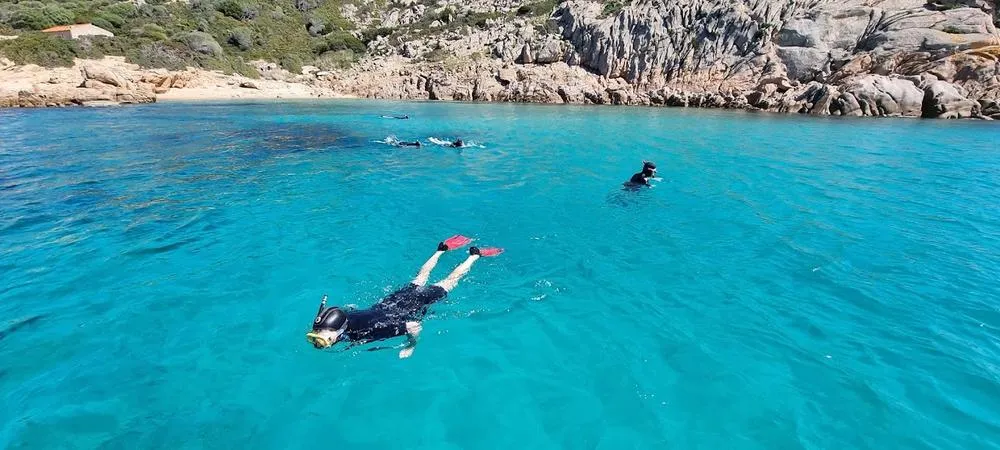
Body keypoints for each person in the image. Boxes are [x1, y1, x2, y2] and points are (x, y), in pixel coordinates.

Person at [306, 235, 503, 358]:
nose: (319, 342)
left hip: (409, 305)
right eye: (316, 338)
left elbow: (414, 325)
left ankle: (474, 255)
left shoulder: (367, 331)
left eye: (322, 339)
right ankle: (441, 249)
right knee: (419, 279)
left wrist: (411, 345)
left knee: (449, 282)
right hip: (390, 302)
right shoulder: (339, 319)